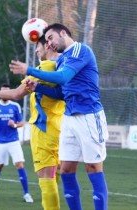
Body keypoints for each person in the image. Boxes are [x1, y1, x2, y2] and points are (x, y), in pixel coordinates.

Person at [9, 23, 109, 210]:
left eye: (50, 38)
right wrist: (38, 87)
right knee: (66, 170)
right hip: (69, 118)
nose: (49, 44)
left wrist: (29, 70)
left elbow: (62, 77)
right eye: (46, 41)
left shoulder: (80, 50)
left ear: (63, 33)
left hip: (89, 115)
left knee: (93, 168)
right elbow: (61, 94)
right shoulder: (62, 60)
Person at [0, 35, 65, 210]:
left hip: (44, 130)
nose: (36, 50)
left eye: (38, 47)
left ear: (48, 46)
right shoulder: (62, 68)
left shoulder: (45, 67)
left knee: (46, 180)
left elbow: (15, 94)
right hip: (60, 129)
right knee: (54, 178)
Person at [0, 84, 33, 203]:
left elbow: (22, 122)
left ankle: (26, 194)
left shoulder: (15, 106)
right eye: (3, 92)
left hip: (14, 141)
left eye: (7, 92)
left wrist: (14, 125)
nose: (5, 94)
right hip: (0, 142)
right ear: (0, 93)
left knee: (20, 165)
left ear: (10, 92)